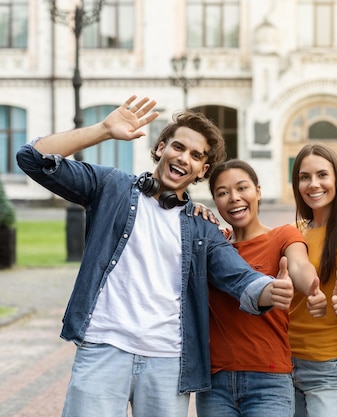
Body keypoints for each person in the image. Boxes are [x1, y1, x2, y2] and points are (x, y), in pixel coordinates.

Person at [15, 96, 294, 417]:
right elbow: (33, 158)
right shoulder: (113, 188)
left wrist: (271, 290)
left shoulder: (201, 226)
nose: (183, 158)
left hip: (168, 362)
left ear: (203, 169)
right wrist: (104, 129)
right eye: (178, 147)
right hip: (104, 348)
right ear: (161, 147)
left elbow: (240, 277)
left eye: (195, 155)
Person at [195, 159, 327, 417]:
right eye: (222, 193)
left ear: (258, 191)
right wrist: (193, 211)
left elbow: (299, 265)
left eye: (242, 188)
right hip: (215, 383)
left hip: (270, 380)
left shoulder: (282, 236)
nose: (234, 198)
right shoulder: (212, 245)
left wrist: (311, 288)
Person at [289, 143, 337, 417]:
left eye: (322, 175)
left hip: (327, 367)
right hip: (283, 364)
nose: (313, 184)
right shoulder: (294, 232)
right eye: (304, 176)